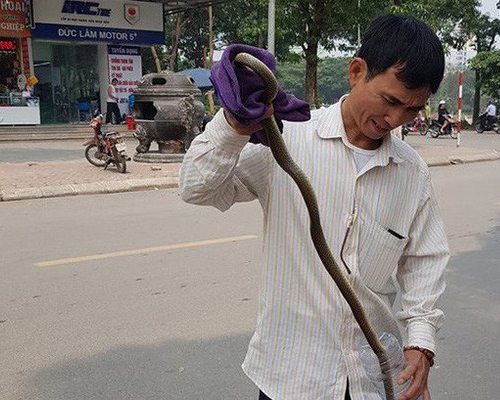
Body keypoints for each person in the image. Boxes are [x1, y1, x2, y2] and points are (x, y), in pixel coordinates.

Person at [179, 15, 449, 400]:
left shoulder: (411, 173)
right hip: (290, 378)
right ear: (357, 71)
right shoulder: (287, 138)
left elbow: (425, 259)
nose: (395, 119)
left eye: (411, 110)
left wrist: (421, 342)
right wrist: (232, 125)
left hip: (370, 381)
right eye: (390, 101)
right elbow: (196, 188)